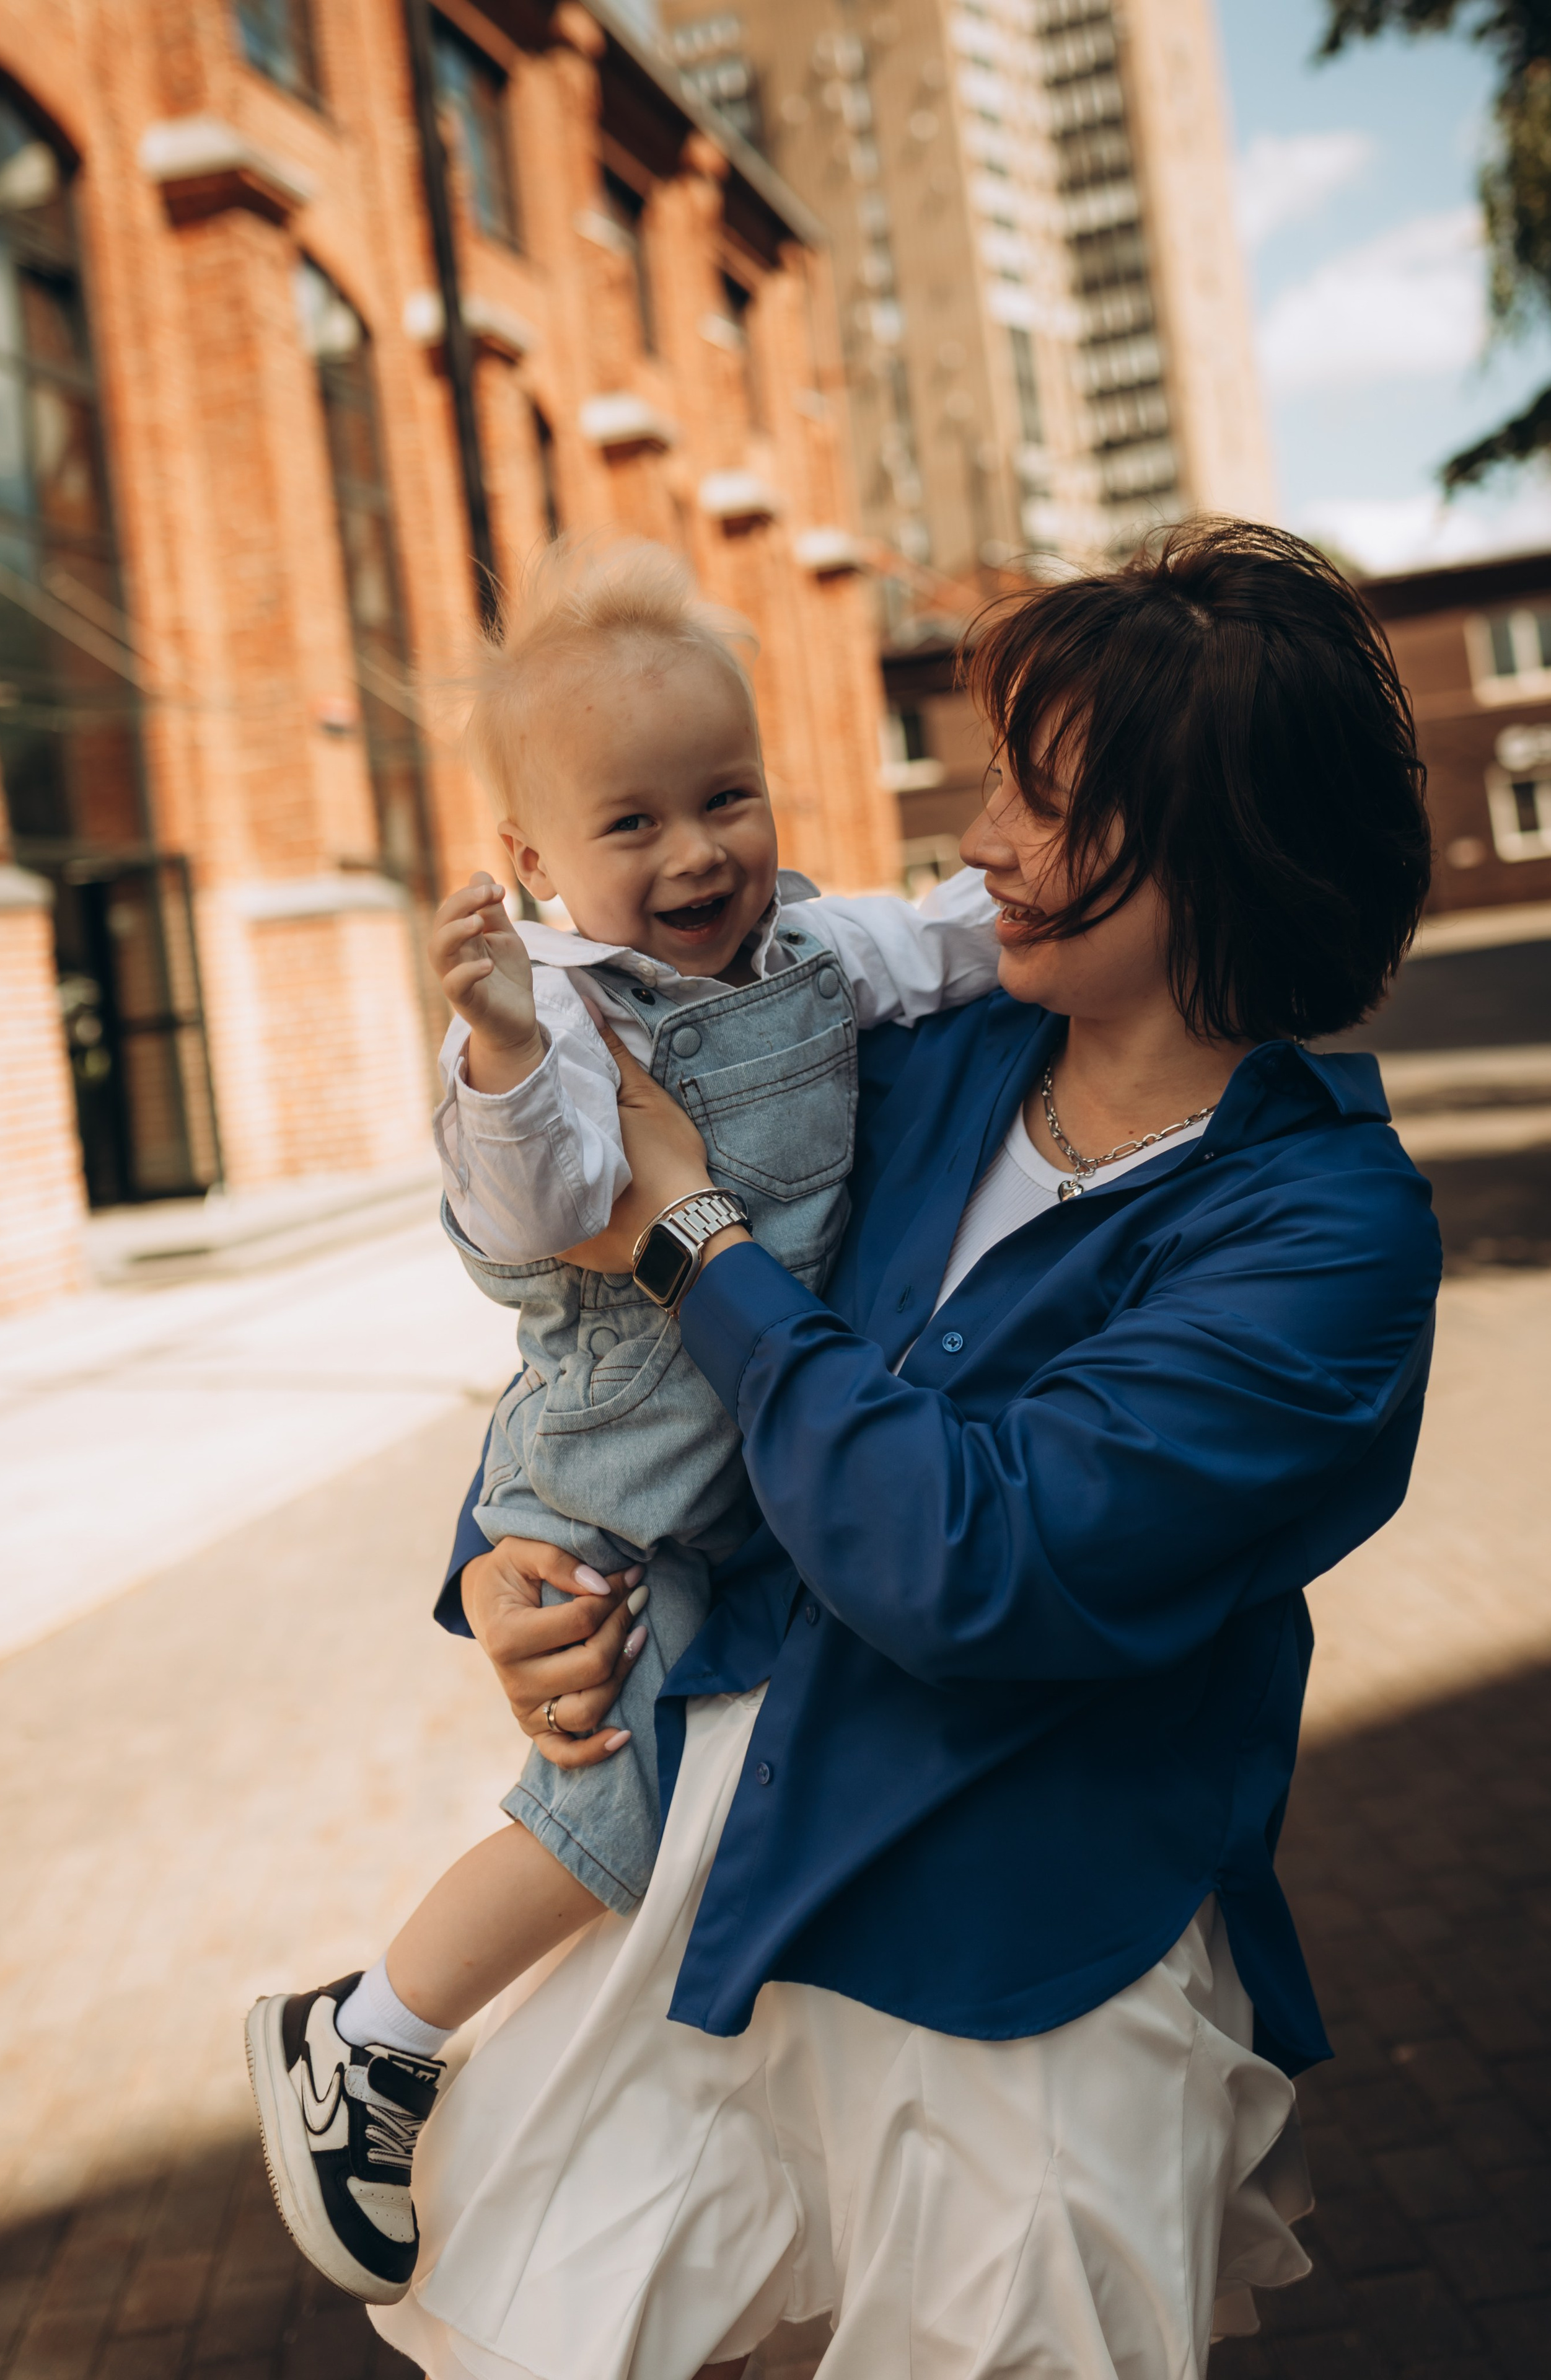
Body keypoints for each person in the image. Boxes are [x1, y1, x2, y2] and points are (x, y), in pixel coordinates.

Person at [370, 521, 1441, 2380]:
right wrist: (507, 1552)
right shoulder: (924, 1062)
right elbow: (616, 1323)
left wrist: (697, 1243)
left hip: (1023, 1961)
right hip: (742, 1866)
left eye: (1043, 802)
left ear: (1212, 849)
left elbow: (973, 1559)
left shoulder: (1325, 1242)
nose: (983, 846)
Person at [245, 537, 1001, 2303]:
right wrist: (502, 1046)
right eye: (633, 825)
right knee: (606, 1799)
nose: (696, 853)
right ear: (535, 868)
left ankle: (382, 2034)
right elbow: (544, 1203)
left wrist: (1048, 889)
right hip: (607, 1466)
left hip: (721, 1463)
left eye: (724, 798)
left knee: (639, 1791)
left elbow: (956, 945)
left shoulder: (819, 946)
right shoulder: (567, 1016)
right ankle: (369, 2039)